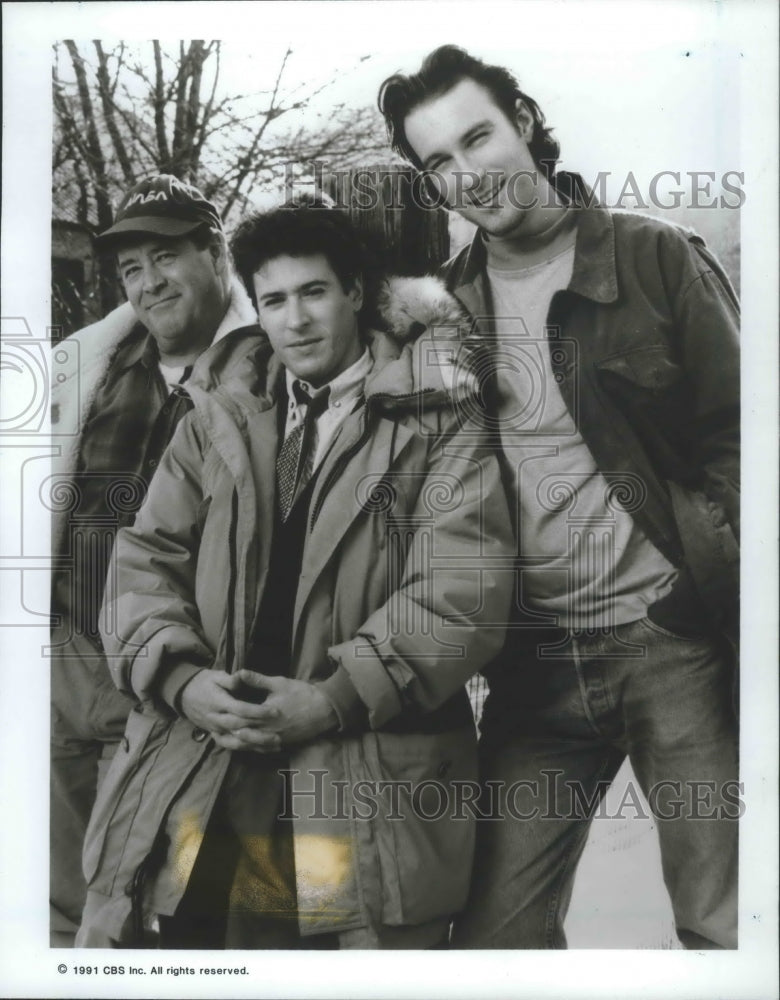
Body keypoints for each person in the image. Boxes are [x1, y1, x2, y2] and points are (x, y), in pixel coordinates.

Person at [378, 45, 740, 949]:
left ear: (526, 122)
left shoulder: (652, 254)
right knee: (498, 937)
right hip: (534, 667)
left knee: (724, 924)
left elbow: (744, 433)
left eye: (479, 137)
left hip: (673, 643)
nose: (468, 174)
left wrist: (698, 583)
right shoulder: (446, 308)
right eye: (439, 163)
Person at [76, 203, 513, 949]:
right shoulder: (216, 411)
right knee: (188, 952)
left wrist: (335, 698)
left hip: (350, 770)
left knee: (326, 960)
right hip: (208, 761)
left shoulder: (439, 416)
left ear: (354, 293)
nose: (295, 320)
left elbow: (461, 593)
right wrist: (182, 681)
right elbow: (144, 561)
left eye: (313, 293)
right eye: (274, 300)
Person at [49, 174, 262, 946]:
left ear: (215, 253)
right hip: (64, 654)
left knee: (134, 898)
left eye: (164, 257)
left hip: (164, 675)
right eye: (131, 268)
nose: (146, 283)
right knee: (54, 891)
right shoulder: (93, 364)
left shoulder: (265, 370)